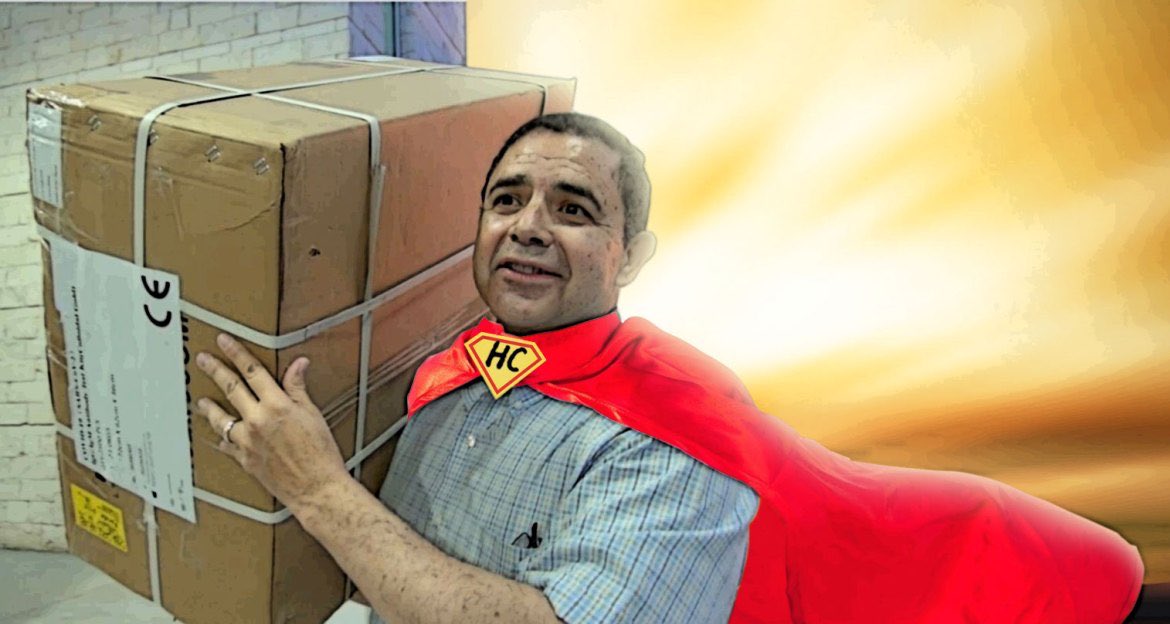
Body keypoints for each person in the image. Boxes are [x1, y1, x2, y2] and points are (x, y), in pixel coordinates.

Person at [194, 113, 1144, 623]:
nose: (529, 226)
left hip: (1004, 579)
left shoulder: (675, 432)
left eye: (574, 209)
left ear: (632, 257)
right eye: (507, 200)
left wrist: (316, 489)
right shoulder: (449, 367)